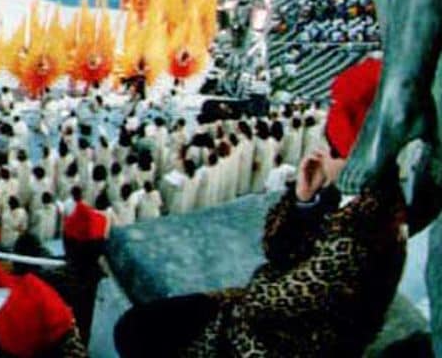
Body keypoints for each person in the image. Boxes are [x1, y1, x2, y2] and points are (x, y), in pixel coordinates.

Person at [114, 58, 407, 357]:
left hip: (286, 342)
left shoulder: (365, 231)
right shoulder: (341, 195)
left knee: (142, 336)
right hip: (261, 315)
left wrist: (228, 300)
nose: (322, 155)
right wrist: (303, 201)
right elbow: (276, 248)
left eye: (332, 149)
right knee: (135, 326)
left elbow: (272, 301)